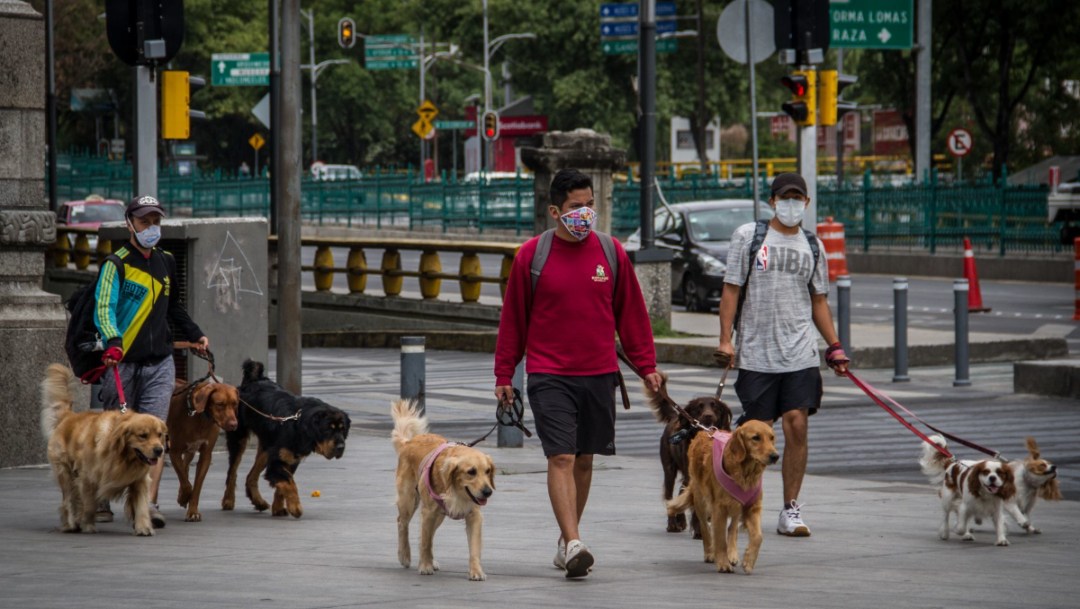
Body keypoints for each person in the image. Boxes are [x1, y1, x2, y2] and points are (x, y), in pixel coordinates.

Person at [494, 168, 663, 579]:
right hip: (549, 374)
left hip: (599, 374)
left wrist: (648, 366)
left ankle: (566, 540)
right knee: (562, 456)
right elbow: (513, 320)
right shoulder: (532, 256)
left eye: (590, 205)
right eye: (575, 207)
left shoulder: (611, 253)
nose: (584, 213)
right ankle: (573, 542)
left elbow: (632, 315)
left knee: (585, 459)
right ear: (555, 211)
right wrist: (504, 374)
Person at [715, 172, 850, 538]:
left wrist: (834, 345)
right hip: (757, 352)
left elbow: (818, 300)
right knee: (755, 435)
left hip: (800, 353)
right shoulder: (748, 236)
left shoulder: (813, 245)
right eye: (785, 197)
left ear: (805, 203)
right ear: (773, 201)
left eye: (798, 198)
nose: (792, 204)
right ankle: (744, 499)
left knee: (797, 423)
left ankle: (790, 508)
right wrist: (726, 340)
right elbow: (730, 290)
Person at [94, 195, 210, 528]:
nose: (151, 228)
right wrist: (113, 342)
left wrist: (196, 333)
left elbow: (173, 308)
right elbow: (103, 308)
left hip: (160, 361)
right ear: (129, 223)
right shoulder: (115, 264)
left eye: (156, 221)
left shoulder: (166, 261)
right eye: (144, 221)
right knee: (115, 432)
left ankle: (149, 503)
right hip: (123, 363)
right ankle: (103, 496)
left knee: (157, 434)